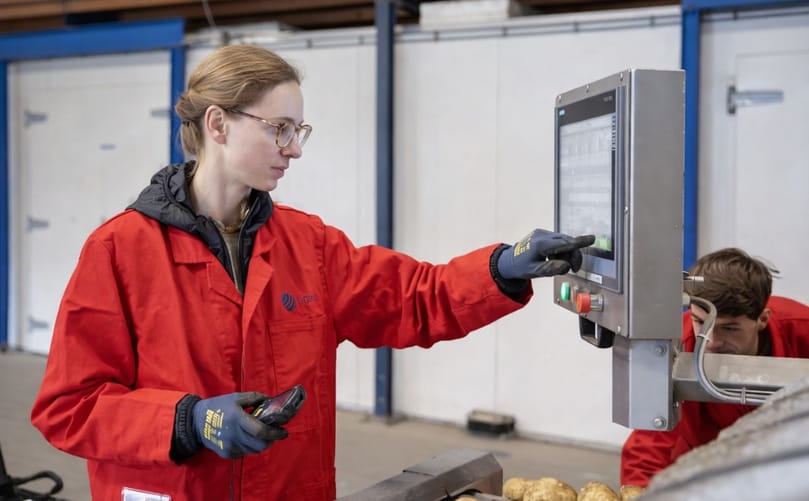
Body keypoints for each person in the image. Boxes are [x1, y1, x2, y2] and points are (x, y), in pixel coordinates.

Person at [30, 45, 594, 501]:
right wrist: (187, 422)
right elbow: (68, 408)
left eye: (301, 131)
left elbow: (413, 298)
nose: (294, 149)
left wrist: (498, 268)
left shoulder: (309, 245)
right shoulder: (119, 250)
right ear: (219, 124)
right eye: (280, 129)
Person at [621, 247, 809, 488]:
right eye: (701, 322)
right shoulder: (675, 347)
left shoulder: (802, 331)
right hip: (703, 470)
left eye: (729, 328)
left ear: (762, 319)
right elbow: (648, 449)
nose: (713, 341)